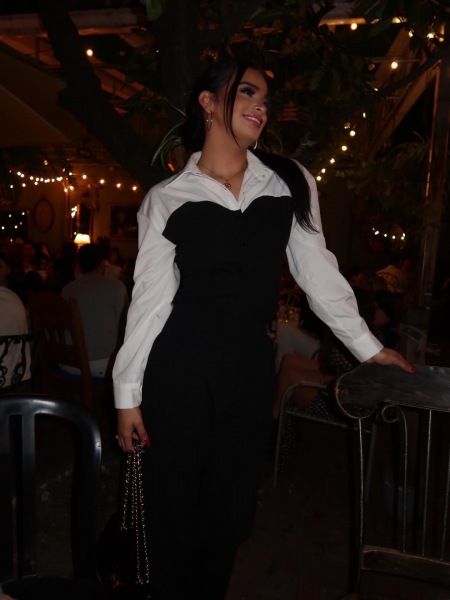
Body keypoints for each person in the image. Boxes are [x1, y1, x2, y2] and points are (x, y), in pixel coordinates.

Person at [113, 57, 414, 600]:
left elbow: (317, 272)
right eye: (247, 92)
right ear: (208, 102)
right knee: (171, 507)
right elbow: (150, 302)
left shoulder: (289, 182)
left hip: (249, 367)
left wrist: (369, 349)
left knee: (230, 512)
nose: (261, 106)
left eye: (265, 100)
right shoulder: (166, 198)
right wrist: (127, 394)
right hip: (177, 370)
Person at [61, 244, 129, 378]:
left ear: (79, 265)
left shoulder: (66, 290)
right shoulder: (116, 287)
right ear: (102, 263)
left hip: (68, 362)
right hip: (103, 364)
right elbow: (127, 325)